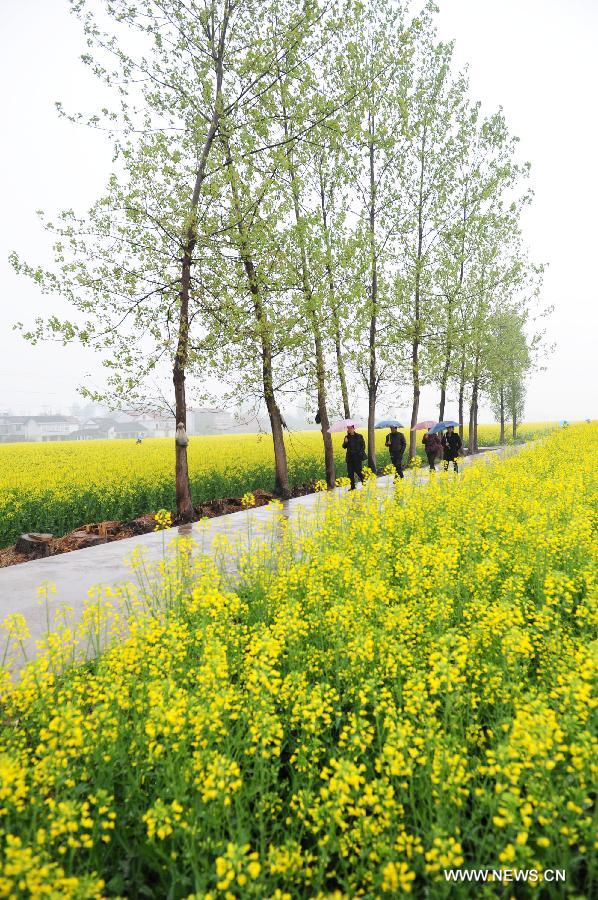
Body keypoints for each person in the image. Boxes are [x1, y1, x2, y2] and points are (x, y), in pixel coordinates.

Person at [342, 424, 366, 490]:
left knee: (359, 471)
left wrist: (360, 453)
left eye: (350, 428)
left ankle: (364, 482)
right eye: (348, 428)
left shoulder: (359, 436)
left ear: (353, 428)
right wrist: (345, 442)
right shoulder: (346, 437)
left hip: (357, 457)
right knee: (350, 473)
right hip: (350, 458)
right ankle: (352, 486)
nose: (349, 430)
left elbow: (363, 446)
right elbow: (344, 447)